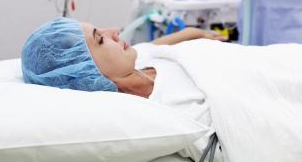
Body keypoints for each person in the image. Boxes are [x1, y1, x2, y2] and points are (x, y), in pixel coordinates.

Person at [21, 17, 226, 161]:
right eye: (100, 39)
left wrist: (195, 34)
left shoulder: (138, 60)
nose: (114, 32)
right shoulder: (166, 112)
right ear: (87, 72)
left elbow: (154, 46)